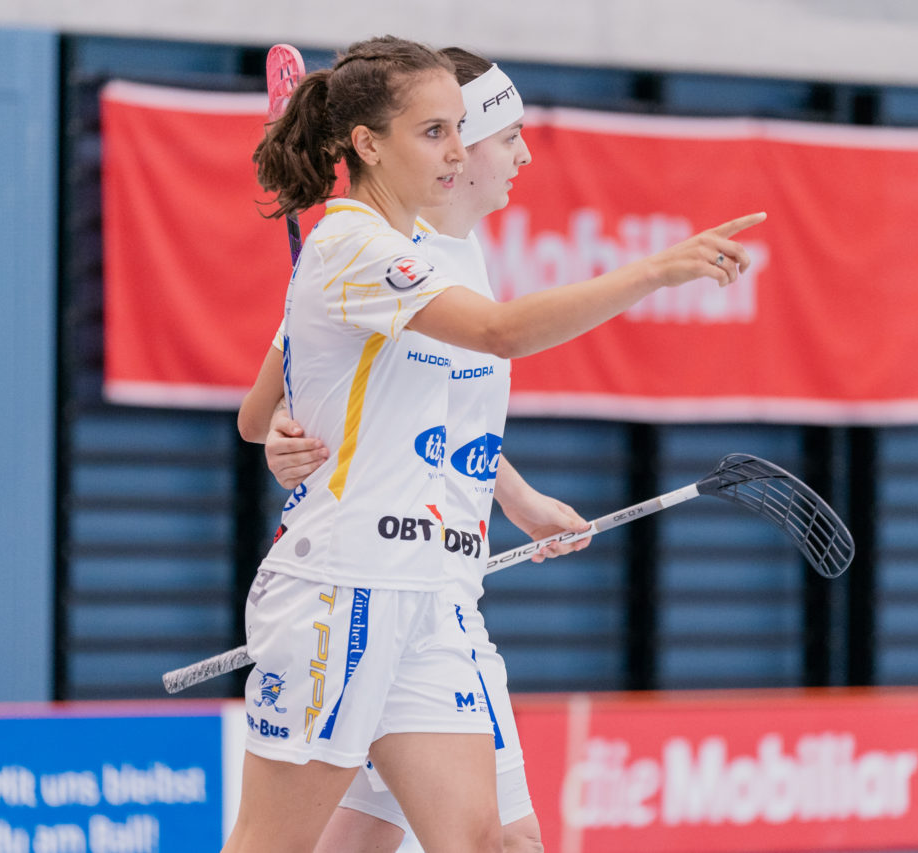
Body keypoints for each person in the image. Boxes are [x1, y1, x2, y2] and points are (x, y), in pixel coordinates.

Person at [228, 34, 762, 853]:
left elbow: (380, 408)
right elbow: (499, 333)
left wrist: (514, 496)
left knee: (493, 843)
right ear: (369, 143)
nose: (462, 149)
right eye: (436, 132)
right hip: (344, 585)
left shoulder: (425, 253)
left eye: (458, 129)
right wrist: (656, 271)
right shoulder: (349, 246)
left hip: (429, 597)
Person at [238, 49, 587, 853]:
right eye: (501, 135)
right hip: (362, 581)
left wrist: (517, 497)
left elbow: (431, 416)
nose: (519, 155)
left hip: (436, 593)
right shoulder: (377, 251)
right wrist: (286, 428)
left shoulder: (461, 254)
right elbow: (268, 407)